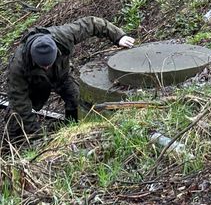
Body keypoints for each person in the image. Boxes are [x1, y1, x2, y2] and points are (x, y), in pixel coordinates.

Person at [5, 16, 135, 140]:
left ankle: (71, 129)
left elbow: (91, 23)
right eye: (42, 66)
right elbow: (20, 102)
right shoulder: (19, 66)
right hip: (34, 86)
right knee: (16, 117)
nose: (46, 68)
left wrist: (118, 36)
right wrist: (38, 135)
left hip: (61, 76)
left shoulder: (63, 36)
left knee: (78, 101)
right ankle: (12, 145)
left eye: (48, 64)